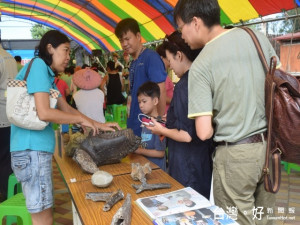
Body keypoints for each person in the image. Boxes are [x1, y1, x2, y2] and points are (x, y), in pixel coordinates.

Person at [173, 0, 280, 224]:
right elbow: (278, 85)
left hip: (235, 157)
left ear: (195, 22)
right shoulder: (255, 37)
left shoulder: (202, 64)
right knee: (265, 219)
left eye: (181, 27)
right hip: (270, 149)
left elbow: (203, 132)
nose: (181, 35)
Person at [10, 30, 119, 225]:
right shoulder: (38, 67)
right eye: (66, 51)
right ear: (50, 48)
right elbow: (44, 112)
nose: (69, 57)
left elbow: (66, 108)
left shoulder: (48, 74)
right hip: (31, 151)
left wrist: (98, 124)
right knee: (43, 218)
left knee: (44, 212)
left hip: (32, 151)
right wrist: (79, 119)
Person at [147, 31, 213, 199]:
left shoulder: (184, 86)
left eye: (169, 61)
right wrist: (168, 121)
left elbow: (186, 135)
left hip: (187, 164)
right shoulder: (200, 79)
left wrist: (161, 130)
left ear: (179, 55)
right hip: (200, 161)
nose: (170, 67)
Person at [115, 18, 167, 136]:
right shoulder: (133, 62)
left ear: (138, 36)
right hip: (134, 124)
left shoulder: (150, 57)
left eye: (127, 39)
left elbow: (161, 90)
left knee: (148, 154)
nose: (124, 44)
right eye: (121, 40)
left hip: (148, 128)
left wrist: (159, 122)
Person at [134, 81, 166, 171]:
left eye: (144, 101)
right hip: (147, 167)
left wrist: (139, 151)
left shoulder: (159, 124)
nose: (141, 105)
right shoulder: (145, 121)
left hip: (157, 171)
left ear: (155, 101)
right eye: (139, 102)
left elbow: (160, 153)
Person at [0, 42, 18, 202]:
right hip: (8, 116)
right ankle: (8, 193)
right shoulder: (9, 58)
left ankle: (3, 194)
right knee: (6, 158)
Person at [156, 44, 174, 116]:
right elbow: (161, 96)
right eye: (168, 59)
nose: (170, 61)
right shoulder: (160, 75)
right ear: (161, 58)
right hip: (164, 113)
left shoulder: (162, 73)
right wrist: (176, 101)